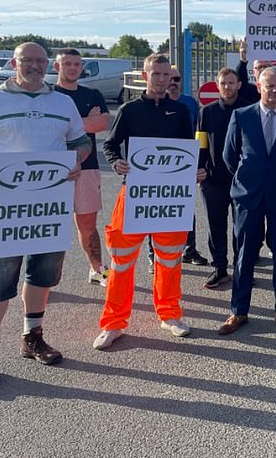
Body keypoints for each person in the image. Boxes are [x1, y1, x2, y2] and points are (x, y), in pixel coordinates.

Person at [0, 42, 90, 392]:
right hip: (8, 205)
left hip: (50, 204)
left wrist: (77, 160)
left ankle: (31, 337)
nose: (35, 66)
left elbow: (81, 142)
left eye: (40, 61)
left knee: (42, 274)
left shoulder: (61, 102)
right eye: (27, 61)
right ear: (13, 63)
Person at [93, 53, 207, 350]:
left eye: (165, 74)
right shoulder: (130, 110)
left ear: (171, 77)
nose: (160, 79)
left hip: (170, 197)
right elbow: (109, 143)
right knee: (121, 260)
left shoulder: (181, 111)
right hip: (135, 193)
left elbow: (188, 148)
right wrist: (116, 161)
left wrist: (196, 169)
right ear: (144, 76)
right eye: (155, 74)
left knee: (169, 259)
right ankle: (114, 323)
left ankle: (170, 314)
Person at [217, 66, 276, 336]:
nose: (275, 91)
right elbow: (229, 156)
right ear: (259, 86)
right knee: (244, 254)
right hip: (248, 194)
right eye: (270, 86)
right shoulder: (241, 116)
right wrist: (250, 176)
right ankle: (238, 311)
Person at [53, 48, 111, 286]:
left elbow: (103, 123)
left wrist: (67, 123)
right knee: (50, 225)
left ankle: (97, 270)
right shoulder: (49, 95)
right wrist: (85, 121)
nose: (73, 68)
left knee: (87, 224)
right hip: (52, 168)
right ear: (57, 67)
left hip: (87, 167)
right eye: (67, 64)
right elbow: (53, 128)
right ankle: (46, 278)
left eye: (77, 64)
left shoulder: (93, 94)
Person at [196, 67, 247, 289]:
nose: (227, 87)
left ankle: (241, 268)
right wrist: (199, 169)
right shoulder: (206, 112)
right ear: (217, 86)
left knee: (241, 227)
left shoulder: (248, 110)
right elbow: (201, 143)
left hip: (242, 180)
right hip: (213, 180)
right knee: (216, 225)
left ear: (239, 85)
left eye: (231, 83)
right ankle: (219, 268)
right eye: (223, 83)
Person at [167, 66, 207, 266]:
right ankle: (153, 254)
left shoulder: (190, 103)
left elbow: (200, 133)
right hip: (159, 165)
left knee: (185, 208)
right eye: (170, 78)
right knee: (156, 208)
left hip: (185, 162)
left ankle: (189, 250)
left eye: (177, 78)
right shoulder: (154, 102)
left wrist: (200, 162)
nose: (173, 82)